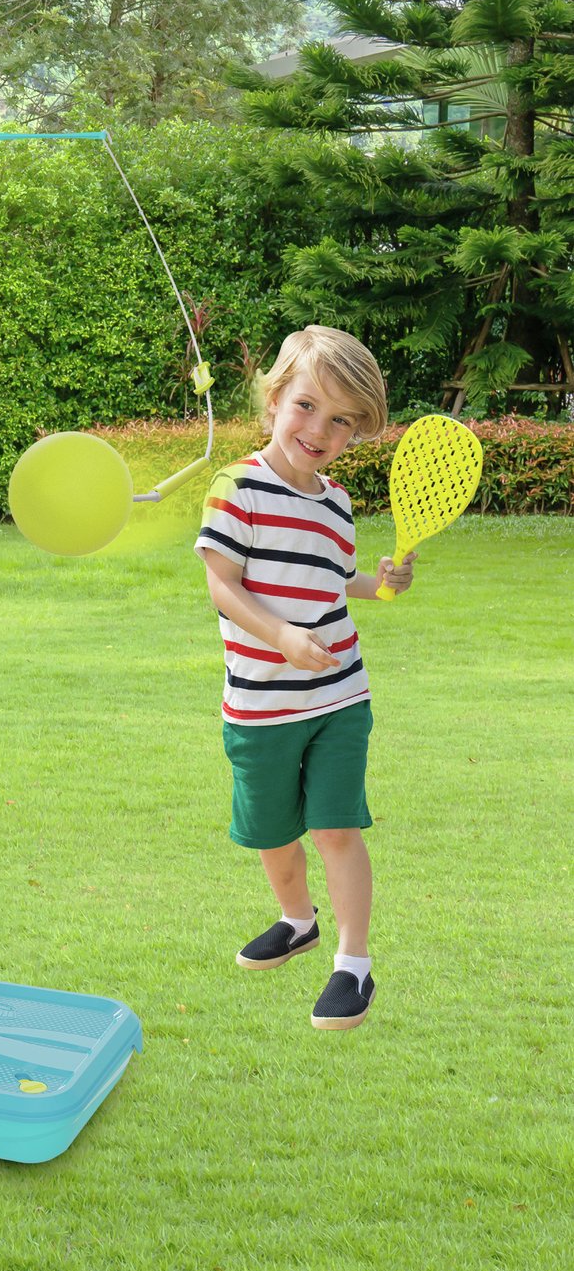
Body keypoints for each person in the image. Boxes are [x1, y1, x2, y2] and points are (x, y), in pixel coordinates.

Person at [194, 325, 414, 1031]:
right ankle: (297, 920)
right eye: (307, 405)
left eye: (341, 419)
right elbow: (222, 585)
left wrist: (375, 585)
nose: (319, 429)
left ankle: (354, 963)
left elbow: (326, 579)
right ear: (273, 399)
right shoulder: (238, 488)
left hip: (339, 697)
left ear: (356, 431)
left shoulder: (336, 503)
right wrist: (282, 638)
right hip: (259, 706)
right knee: (271, 832)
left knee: (335, 828)